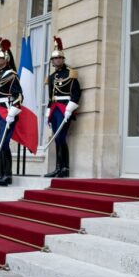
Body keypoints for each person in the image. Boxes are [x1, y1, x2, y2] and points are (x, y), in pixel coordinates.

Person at [0, 38, 23, 186]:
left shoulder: (12, 76)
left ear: (6, 59)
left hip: (7, 112)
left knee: (4, 142)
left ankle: (7, 175)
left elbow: (19, 96)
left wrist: (12, 113)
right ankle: (1, 174)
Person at [44, 36, 81, 178]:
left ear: (63, 59)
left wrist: (70, 109)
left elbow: (76, 93)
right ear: (52, 62)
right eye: (54, 59)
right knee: (56, 137)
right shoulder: (52, 76)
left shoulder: (70, 73)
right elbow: (50, 95)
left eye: (59, 58)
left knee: (61, 137)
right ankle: (58, 167)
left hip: (65, 109)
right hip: (54, 109)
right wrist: (48, 111)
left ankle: (65, 168)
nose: (56, 60)